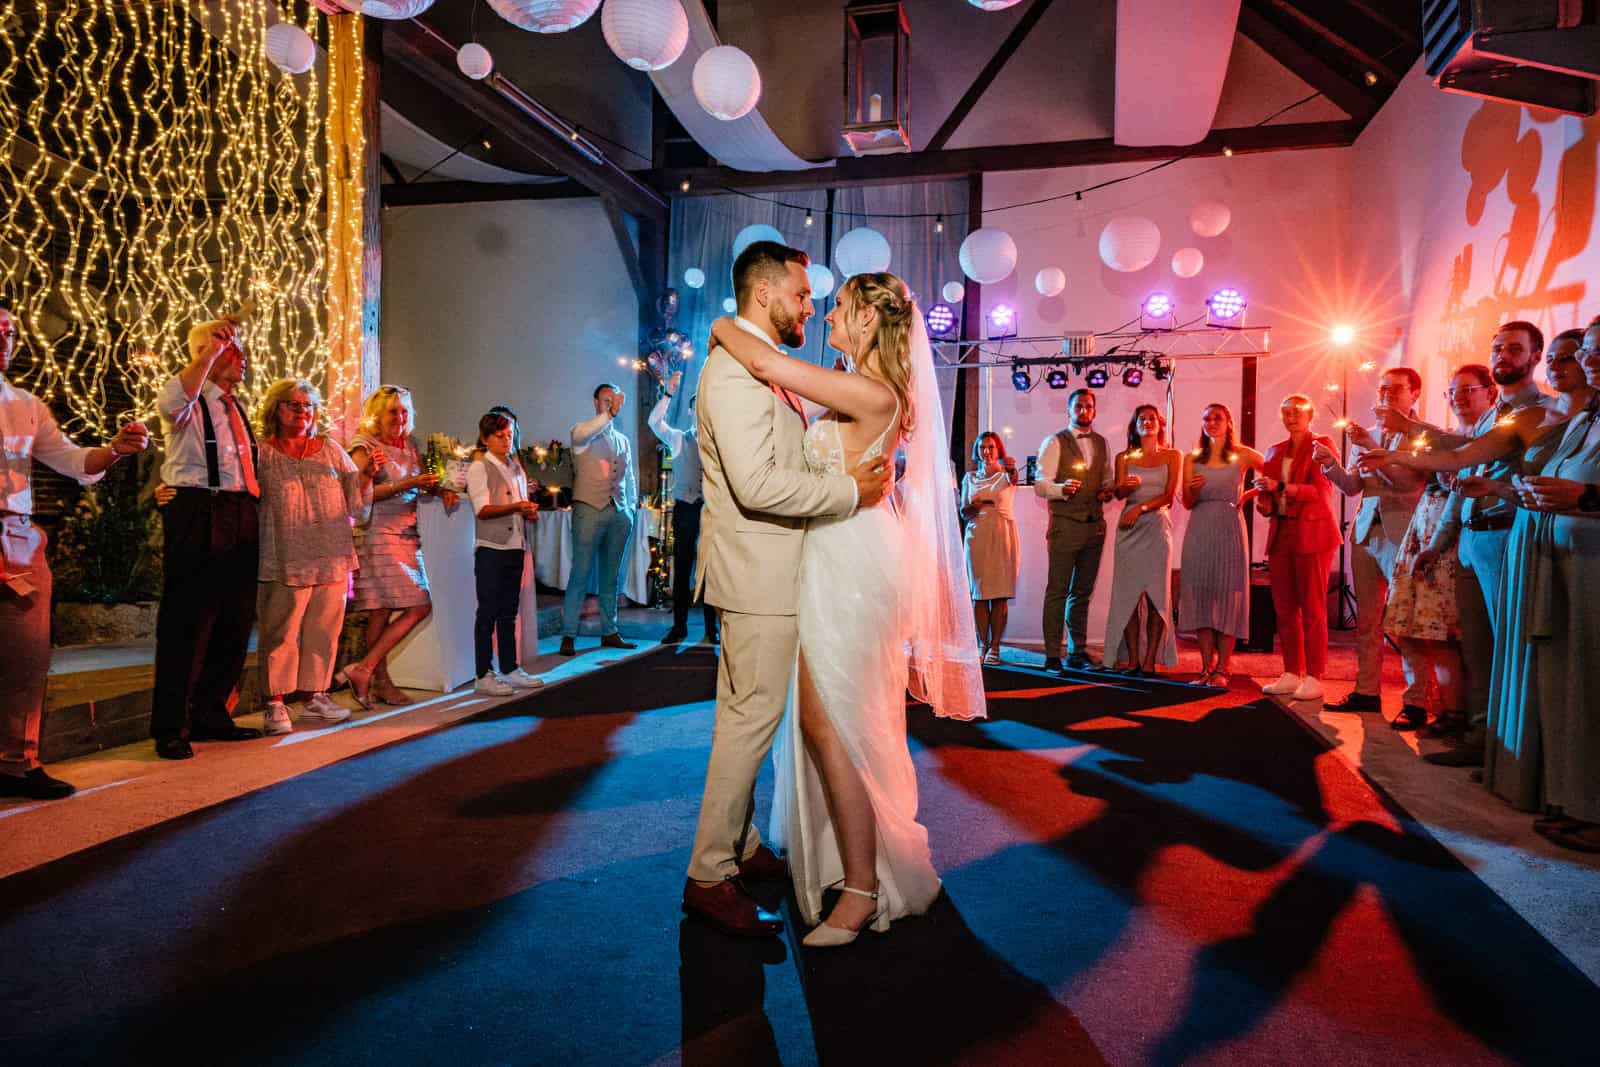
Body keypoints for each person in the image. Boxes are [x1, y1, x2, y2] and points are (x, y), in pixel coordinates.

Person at [703, 262, 984, 947]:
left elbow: (765, 359)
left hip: (855, 560)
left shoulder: (872, 392)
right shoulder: (858, 390)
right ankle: (851, 863)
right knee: (833, 723)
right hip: (830, 557)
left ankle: (860, 890)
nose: (823, 315)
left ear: (864, 318)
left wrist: (717, 322)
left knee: (835, 726)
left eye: (835, 308)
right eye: (813, 301)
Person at [680, 240, 893, 941]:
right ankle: (711, 872)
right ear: (765, 293)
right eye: (802, 296)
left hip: (770, 568)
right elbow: (757, 485)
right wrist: (846, 490)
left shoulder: (755, 365)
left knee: (746, 714)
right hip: (756, 571)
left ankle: (738, 845)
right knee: (750, 720)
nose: (811, 306)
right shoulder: (736, 374)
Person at [1367, 322, 1555, 766]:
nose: (1503, 355)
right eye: (1497, 348)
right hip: (1471, 535)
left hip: (1506, 535)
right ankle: (1480, 736)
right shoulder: (1501, 415)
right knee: (1478, 646)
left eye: (1514, 349)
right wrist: (1443, 537)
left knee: (1509, 648)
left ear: (1535, 356)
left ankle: (1508, 748)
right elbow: (1460, 461)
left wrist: (1400, 446)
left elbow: (1460, 457)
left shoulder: (1541, 411)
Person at [0, 301, 149, 799]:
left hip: (16, 538)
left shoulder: (23, 403)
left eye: (10, 332)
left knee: (27, 659)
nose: (5, 340)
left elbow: (68, 458)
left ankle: (17, 764)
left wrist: (115, 449)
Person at [151, 316, 265, 760]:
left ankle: (210, 713)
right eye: (229, 347)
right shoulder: (185, 397)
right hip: (199, 507)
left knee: (234, 621)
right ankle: (171, 726)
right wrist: (211, 350)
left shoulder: (234, 406)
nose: (241, 355)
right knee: (187, 622)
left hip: (239, 509)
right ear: (205, 351)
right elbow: (172, 404)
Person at [253, 379, 373, 735]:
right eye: (293, 404)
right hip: (286, 554)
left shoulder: (331, 449)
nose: (302, 411)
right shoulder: (263, 452)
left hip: (332, 553)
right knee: (281, 631)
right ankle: (275, 702)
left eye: (307, 405)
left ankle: (315, 696)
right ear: (276, 409)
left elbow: (357, 503)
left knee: (324, 630)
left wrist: (365, 476)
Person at [1314, 367, 1432, 724]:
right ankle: (1367, 692)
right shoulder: (1375, 433)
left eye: (1395, 390)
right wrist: (1330, 465)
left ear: (1415, 394)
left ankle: (1417, 701)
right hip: (1366, 531)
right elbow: (1352, 487)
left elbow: (1407, 481)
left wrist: (1371, 446)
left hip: (1403, 532)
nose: (1386, 396)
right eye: (1382, 390)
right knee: (1366, 621)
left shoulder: (1421, 435)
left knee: (1406, 621)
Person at [340, 385, 447, 707]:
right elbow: (359, 496)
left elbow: (419, 488)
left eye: (404, 411)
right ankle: (367, 670)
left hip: (407, 534)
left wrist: (440, 491)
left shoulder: (411, 445)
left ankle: (376, 681)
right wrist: (409, 484)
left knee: (381, 613)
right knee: (420, 606)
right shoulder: (364, 445)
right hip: (376, 534)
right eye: (392, 411)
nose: (399, 418)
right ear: (377, 413)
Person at [1255, 395, 1341, 703]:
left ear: (1310, 414)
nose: (1291, 417)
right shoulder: (1275, 450)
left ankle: (1315, 675)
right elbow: (1269, 494)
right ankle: (1292, 671)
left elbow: (1319, 490)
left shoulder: (1322, 443)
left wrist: (1280, 488)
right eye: (1286, 411)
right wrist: (1264, 499)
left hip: (1313, 532)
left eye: (1297, 411)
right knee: (1284, 607)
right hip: (1282, 533)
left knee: (1313, 608)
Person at [1178, 404, 1265, 687]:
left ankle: (1224, 669)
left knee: (1229, 595)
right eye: (1206, 418)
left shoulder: (1243, 454)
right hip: (1200, 526)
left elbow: (1275, 471)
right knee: (1201, 594)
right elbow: (1188, 503)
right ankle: (1205, 667)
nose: (1211, 423)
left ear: (1229, 422)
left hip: (1230, 525)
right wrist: (1194, 488)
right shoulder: (1192, 458)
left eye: (1217, 418)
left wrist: (1251, 492)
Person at [1035, 389, 1115, 672]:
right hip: (1065, 526)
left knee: (1082, 592)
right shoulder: (1055, 442)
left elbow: (1106, 479)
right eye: (1078, 406)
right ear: (1069, 410)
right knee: (1057, 591)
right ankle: (1052, 653)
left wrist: (1107, 491)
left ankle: (1077, 651)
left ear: (1095, 410)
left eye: (1088, 406)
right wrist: (1060, 489)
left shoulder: (1103, 443)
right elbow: (1040, 483)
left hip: (1094, 528)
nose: (1084, 410)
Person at [466, 409, 544, 696]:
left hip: (514, 545)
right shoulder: (479, 467)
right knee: (487, 611)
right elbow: (482, 509)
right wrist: (516, 508)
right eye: (499, 436)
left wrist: (527, 512)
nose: (506, 441)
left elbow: (519, 501)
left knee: (509, 612)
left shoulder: (515, 466)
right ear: (486, 438)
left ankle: (510, 668)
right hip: (491, 547)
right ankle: (482, 673)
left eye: (509, 435)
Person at [560, 383, 638, 657]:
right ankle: (568, 633)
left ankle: (610, 630)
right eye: (606, 400)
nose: (610, 404)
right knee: (580, 573)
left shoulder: (623, 441)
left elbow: (629, 478)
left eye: (614, 401)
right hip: (589, 510)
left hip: (618, 511)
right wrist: (609, 413)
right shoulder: (581, 434)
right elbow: (587, 431)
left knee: (611, 576)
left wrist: (629, 510)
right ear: (595, 403)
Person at [1105, 404, 1181, 676]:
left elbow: (1170, 497)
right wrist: (1123, 489)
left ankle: (1150, 660)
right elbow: (1119, 494)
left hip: (1156, 527)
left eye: (1152, 418)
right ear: (1135, 426)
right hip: (1129, 531)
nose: (1147, 422)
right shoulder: (1123, 457)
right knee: (1127, 596)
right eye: (1142, 419)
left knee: (1156, 597)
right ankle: (1133, 658)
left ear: (1159, 424)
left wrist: (1141, 508)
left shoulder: (1173, 455)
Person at [648, 371, 718, 645]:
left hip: (712, 511)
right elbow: (654, 422)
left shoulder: (719, 442)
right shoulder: (679, 438)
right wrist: (668, 393)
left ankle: (712, 630)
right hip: (686, 510)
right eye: (697, 406)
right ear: (691, 411)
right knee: (683, 567)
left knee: (712, 570)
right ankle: (679, 627)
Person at [961, 431, 1019, 665]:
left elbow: (1014, 478)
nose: (986, 451)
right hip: (977, 536)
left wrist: (1012, 468)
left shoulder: (1006, 475)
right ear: (977, 450)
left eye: (991, 447)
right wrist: (974, 506)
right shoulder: (970, 477)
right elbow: (964, 512)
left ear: (999, 450)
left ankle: (995, 646)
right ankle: (982, 644)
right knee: (980, 596)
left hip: (1002, 534)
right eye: (982, 447)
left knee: (1000, 595)